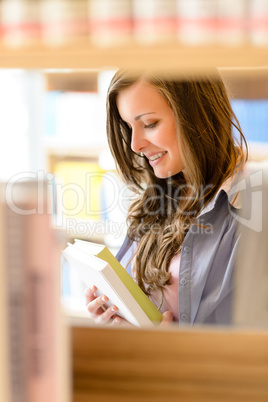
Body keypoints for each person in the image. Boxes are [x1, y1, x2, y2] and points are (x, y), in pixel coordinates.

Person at [85, 69, 248, 326]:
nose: (135, 145)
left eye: (149, 124)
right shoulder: (154, 200)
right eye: (129, 127)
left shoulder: (250, 210)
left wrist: (169, 349)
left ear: (197, 116)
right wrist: (114, 316)